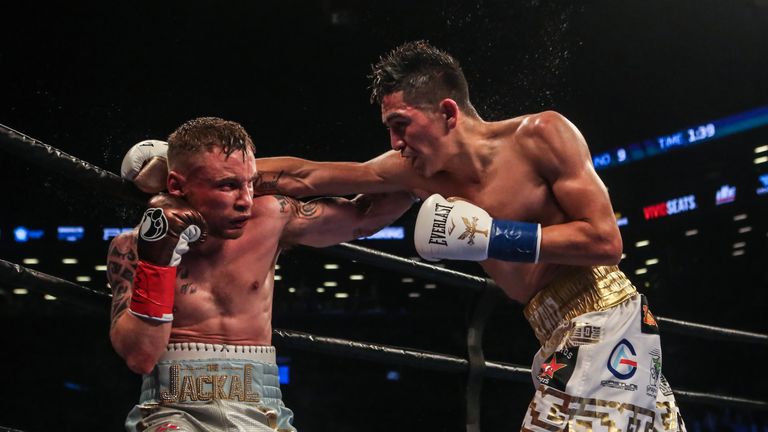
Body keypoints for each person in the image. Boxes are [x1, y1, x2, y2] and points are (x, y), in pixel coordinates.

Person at [254, 41, 686, 431]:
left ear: (447, 112)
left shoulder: (541, 136)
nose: (395, 141)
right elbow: (310, 177)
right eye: (389, 127)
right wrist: (212, 180)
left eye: (402, 124)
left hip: (605, 315)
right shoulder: (414, 172)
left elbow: (607, 242)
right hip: (553, 327)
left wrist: (494, 236)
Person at [108, 117, 415, 432]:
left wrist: (426, 167)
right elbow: (141, 357)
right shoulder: (130, 249)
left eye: (251, 182)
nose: (245, 201)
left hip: (261, 407)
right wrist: (157, 262)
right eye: (228, 185)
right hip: (172, 409)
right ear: (176, 185)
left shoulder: (270, 217)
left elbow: (364, 216)